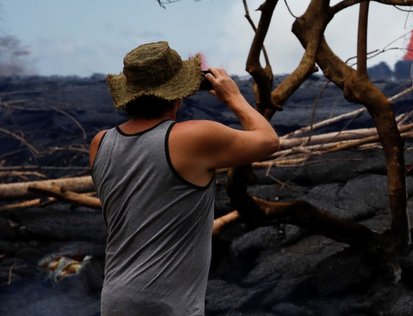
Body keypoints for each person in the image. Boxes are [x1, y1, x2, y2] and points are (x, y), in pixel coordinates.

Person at [89, 41, 279, 315]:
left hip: (115, 298)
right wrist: (234, 97)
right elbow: (269, 141)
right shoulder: (193, 137)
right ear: (179, 94)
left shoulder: (100, 143)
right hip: (168, 304)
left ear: (129, 95)